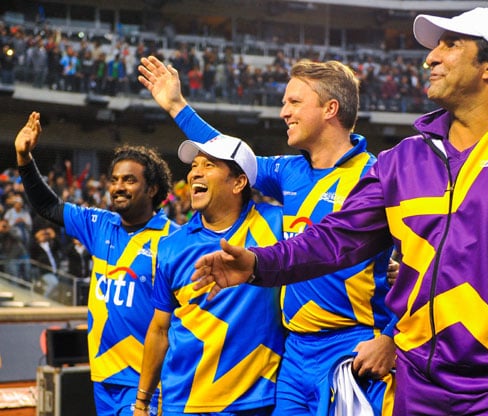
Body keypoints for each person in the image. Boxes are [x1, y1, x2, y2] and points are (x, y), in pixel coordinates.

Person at [189, 8, 488, 416]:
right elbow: (336, 238)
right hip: (418, 387)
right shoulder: (402, 161)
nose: (431, 57)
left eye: (451, 45)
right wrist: (259, 263)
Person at [138, 56, 396, 415]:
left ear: (330, 109)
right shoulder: (287, 172)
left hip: (354, 348)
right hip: (295, 355)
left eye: (294, 102)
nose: (283, 112)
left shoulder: (378, 176)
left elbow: (424, 262)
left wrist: (391, 338)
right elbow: (226, 155)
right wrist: (177, 107)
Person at [15, 111, 179, 416]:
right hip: (102, 378)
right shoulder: (99, 224)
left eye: (129, 180)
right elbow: (48, 205)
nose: (118, 187)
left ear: (152, 189)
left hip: (148, 384)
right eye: (114, 180)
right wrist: (24, 158)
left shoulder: (174, 240)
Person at [133, 134, 284, 416]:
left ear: (239, 182)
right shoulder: (170, 246)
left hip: (253, 401)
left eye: (209, 165)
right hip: (183, 401)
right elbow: (159, 329)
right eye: (194, 166)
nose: (195, 173)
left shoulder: (277, 225)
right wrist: (142, 402)